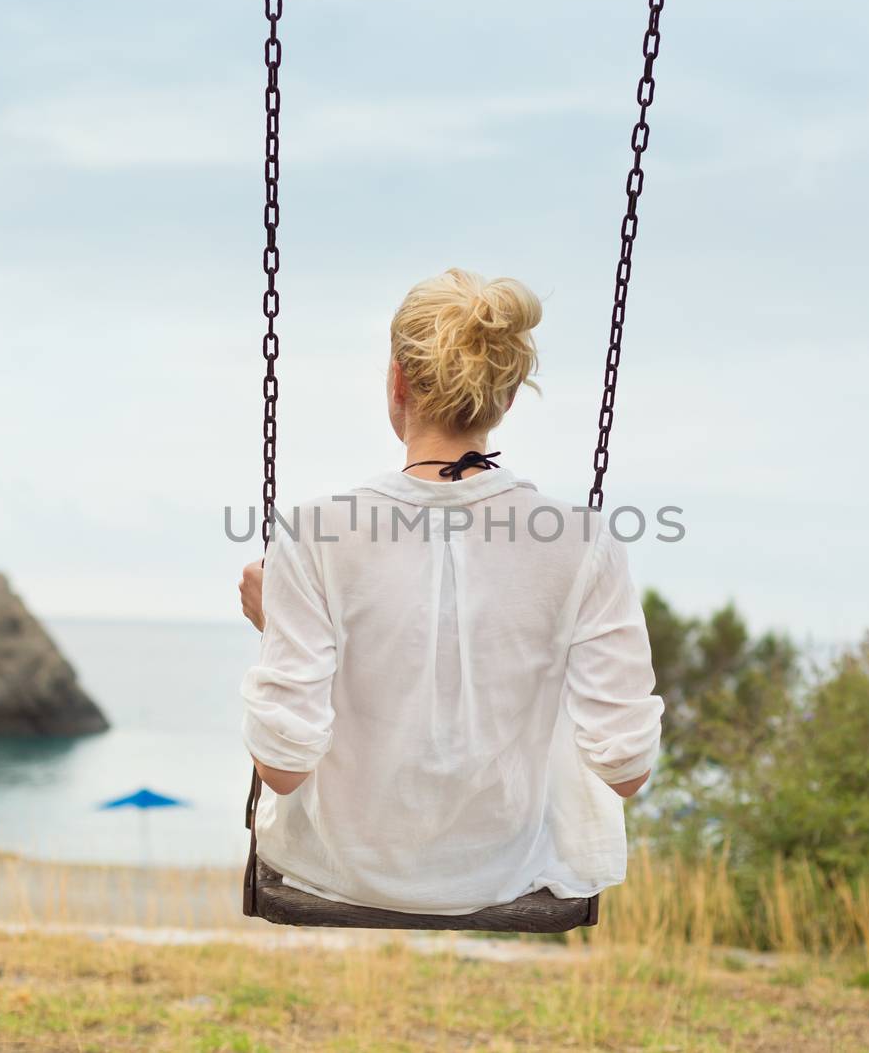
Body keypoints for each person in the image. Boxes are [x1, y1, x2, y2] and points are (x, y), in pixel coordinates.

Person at [236, 268, 663, 914]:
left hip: (344, 865)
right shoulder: (584, 543)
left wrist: (281, 624)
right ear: (509, 397)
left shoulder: (316, 533)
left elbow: (283, 768)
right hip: (506, 865)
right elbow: (626, 771)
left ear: (398, 381)